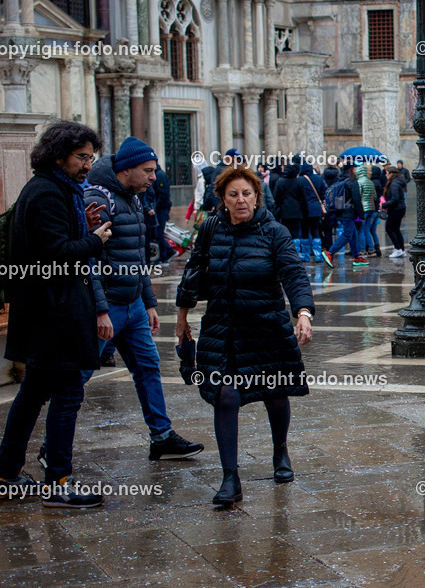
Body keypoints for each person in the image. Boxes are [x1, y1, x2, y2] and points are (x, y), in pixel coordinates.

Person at [175, 165, 315, 506]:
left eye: (247, 193)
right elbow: (193, 273)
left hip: (267, 327)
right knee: (225, 396)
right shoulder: (211, 229)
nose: (241, 200)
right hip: (223, 329)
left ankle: (280, 451)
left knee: (275, 393)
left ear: (257, 196)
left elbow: (293, 273)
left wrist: (303, 313)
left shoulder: (274, 231)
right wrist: (181, 319)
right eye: (233, 194)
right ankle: (230, 478)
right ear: (222, 199)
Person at [0, 121, 113, 509]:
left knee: (32, 394)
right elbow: (55, 256)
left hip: (49, 313)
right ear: (58, 156)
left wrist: (83, 229)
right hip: (53, 315)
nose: (87, 165)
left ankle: (5, 474)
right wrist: (94, 240)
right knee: (67, 393)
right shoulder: (46, 193)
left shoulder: (57, 189)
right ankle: (58, 481)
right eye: (81, 157)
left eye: (91, 157)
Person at [83, 137, 204, 460]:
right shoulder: (99, 198)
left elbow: (138, 257)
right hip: (107, 305)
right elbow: (88, 260)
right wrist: (100, 310)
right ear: (127, 169)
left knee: (148, 366)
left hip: (133, 304)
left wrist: (148, 302)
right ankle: (51, 448)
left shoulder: (134, 197)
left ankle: (161, 436)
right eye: (148, 170)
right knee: (76, 378)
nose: (153, 177)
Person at [322, 161, 367, 267]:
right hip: (348, 212)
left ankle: (356, 257)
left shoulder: (340, 180)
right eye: (355, 168)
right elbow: (356, 199)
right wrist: (361, 215)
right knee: (347, 234)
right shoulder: (352, 182)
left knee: (353, 234)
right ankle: (330, 252)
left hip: (340, 211)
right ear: (351, 170)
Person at [273, 159, 308, 258]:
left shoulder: (280, 181)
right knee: (296, 233)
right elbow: (303, 199)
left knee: (285, 232)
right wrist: (305, 212)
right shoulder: (298, 182)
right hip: (297, 211)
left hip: (284, 211)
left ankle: (286, 252)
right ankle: (295, 253)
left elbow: (276, 197)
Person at [299, 162, 327, 263]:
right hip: (316, 208)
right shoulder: (319, 179)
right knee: (316, 231)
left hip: (304, 209)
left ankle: (305, 255)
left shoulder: (300, 180)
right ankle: (318, 255)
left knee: (304, 231)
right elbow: (324, 192)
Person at [152, 163, 176, 264]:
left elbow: (163, 194)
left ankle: (165, 255)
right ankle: (167, 253)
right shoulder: (157, 174)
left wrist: (156, 206)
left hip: (161, 208)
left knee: (159, 233)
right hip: (160, 207)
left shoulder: (160, 175)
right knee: (158, 233)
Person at [383, 167, 408, 258]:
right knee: (396, 229)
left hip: (395, 210)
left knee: (389, 229)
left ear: (391, 174)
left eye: (387, 173)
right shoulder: (397, 182)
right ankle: (401, 249)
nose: (386, 175)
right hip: (399, 209)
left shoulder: (394, 184)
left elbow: (395, 199)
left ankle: (398, 249)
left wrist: (384, 205)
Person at [355, 163, 377, 257]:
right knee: (367, 229)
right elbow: (375, 196)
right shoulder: (370, 182)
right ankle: (371, 249)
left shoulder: (359, 182)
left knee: (361, 230)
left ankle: (362, 250)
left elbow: (358, 196)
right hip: (371, 208)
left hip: (363, 209)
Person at [320, 164, 341, 251]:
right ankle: (339, 247)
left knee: (327, 229)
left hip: (327, 204)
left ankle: (329, 246)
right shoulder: (339, 176)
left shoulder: (323, 176)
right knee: (340, 227)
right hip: (337, 204)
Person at [370, 165, 385, 257]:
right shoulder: (379, 182)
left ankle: (371, 248)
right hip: (377, 208)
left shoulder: (372, 183)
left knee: (367, 229)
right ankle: (377, 247)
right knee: (373, 230)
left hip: (371, 208)